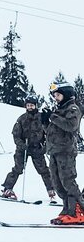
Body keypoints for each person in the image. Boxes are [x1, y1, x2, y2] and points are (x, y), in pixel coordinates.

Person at [42, 82, 84, 224]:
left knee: (68, 181)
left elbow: (71, 126)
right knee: (57, 182)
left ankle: (78, 211)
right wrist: (45, 122)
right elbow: (52, 131)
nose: (56, 98)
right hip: (55, 151)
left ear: (65, 95)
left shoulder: (72, 108)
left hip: (66, 151)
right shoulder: (58, 110)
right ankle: (67, 210)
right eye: (54, 95)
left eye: (58, 95)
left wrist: (52, 117)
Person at [0, 95, 55, 201]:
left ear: (36, 106)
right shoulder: (22, 119)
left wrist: (45, 146)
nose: (30, 107)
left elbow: (49, 132)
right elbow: (16, 135)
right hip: (23, 149)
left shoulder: (41, 117)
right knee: (17, 169)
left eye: (32, 105)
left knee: (44, 170)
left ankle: (51, 191)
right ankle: (7, 189)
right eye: (28, 105)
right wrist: (22, 145)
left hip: (37, 149)